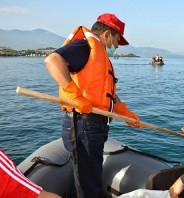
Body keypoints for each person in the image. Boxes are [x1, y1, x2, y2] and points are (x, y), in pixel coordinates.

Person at [44, 13, 142, 197]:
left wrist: (123, 111)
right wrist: (75, 95)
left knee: (88, 179)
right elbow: (53, 61)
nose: (115, 47)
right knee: (88, 186)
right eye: (116, 41)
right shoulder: (85, 46)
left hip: (93, 127)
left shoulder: (99, 56)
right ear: (106, 34)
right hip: (83, 125)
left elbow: (106, 93)